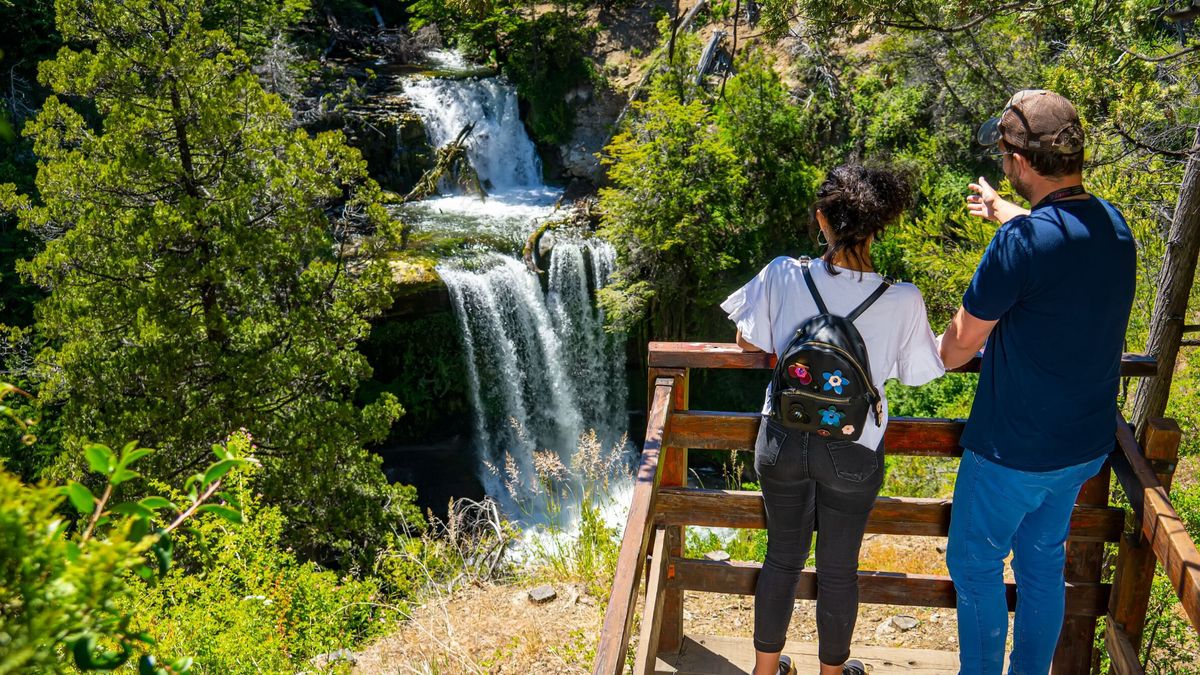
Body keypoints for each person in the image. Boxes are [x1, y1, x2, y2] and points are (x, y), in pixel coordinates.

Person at [939, 90, 1137, 674]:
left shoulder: (1019, 247)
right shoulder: (1113, 227)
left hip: (1013, 450)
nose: (1002, 163)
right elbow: (1059, 241)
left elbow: (957, 349)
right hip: (1081, 447)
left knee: (974, 566)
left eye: (1003, 153)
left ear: (1020, 161)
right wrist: (1007, 213)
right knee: (1041, 566)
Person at [722, 164, 945, 675]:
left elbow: (748, 340)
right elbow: (916, 371)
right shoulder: (903, 298)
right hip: (853, 447)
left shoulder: (783, 272)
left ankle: (765, 669)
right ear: (877, 226)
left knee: (782, 557)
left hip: (780, 438)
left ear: (823, 219)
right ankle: (829, 673)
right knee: (839, 569)